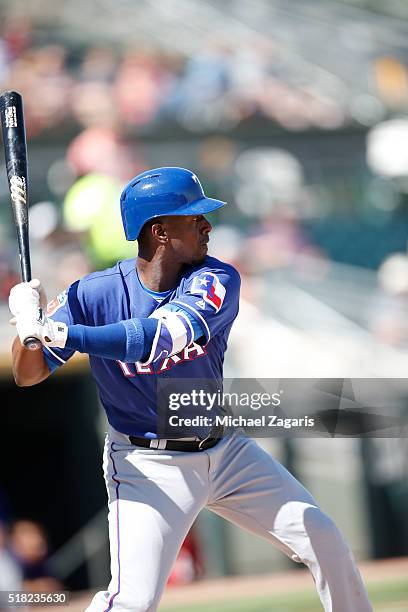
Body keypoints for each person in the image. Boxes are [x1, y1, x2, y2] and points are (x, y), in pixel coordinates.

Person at [9, 167, 372, 612]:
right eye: (194, 217)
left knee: (324, 538)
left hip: (228, 452)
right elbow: (28, 374)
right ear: (159, 231)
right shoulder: (93, 294)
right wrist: (28, 329)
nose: (208, 225)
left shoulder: (215, 278)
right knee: (132, 601)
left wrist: (65, 334)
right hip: (147, 463)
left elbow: (158, 338)